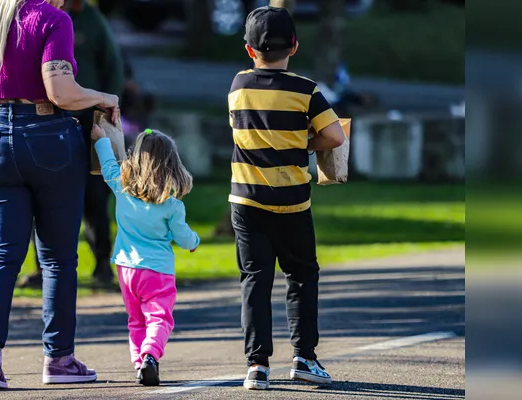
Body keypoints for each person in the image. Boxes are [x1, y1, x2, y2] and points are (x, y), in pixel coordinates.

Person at [0, 0, 120, 390]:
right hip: (47, 136)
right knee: (58, 258)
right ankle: (59, 360)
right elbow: (60, 91)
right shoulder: (54, 20)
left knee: (1, 255)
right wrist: (104, 97)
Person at [228, 6, 346, 390]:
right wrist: (305, 143)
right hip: (293, 201)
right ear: (293, 46)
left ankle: (257, 365)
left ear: (249, 50)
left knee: (255, 279)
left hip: (246, 199)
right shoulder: (305, 90)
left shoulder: (238, 87)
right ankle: (304, 358)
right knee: (301, 274)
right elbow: (335, 137)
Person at [18, 0, 125, 290]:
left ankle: (102, 263)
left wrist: (108, 113)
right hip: (49, 123)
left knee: (95, 197)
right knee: (43, 196)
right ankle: (42, 267)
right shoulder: (37, 15)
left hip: (89, 123)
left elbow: (112, 67)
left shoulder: (91, 20)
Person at [91, 126, 200, 386]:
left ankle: (140, 364)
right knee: (159, 317)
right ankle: (150, 355)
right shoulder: (172, 206)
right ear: (171, 164)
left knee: (136, 320)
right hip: (157, 271)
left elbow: (107, 164)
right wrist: (194, 242)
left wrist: (101, 139)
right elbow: (183, 236)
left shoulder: (121, 187)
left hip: (126, 269)